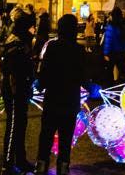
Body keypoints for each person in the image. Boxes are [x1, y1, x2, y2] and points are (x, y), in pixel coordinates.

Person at [35, 14, 86, 175]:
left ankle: (41, 164)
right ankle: (63, 166)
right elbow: (82, 75)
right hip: (70, 101)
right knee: (66, 137)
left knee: (46, 134)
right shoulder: (78, 50)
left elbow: (45, 72)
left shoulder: (52, 47)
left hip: (53, 99)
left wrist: (40, 85)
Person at [0, 7, 37, 175]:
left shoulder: (21, 41)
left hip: (20, 90)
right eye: (31, 27)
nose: (33, 30)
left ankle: (21, 160)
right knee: (14, 125)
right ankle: (7, 163)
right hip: (15, 91)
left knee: (21, 125)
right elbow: (13, 70)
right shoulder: (16, 43)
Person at [103, 6, 125, 85]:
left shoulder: (111, 25)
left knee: (109, 70)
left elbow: (108, 40)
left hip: (113, 52)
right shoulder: (124, 24)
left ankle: (110, 86)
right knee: (123, 69)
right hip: (122, 51)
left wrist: (105, 53)